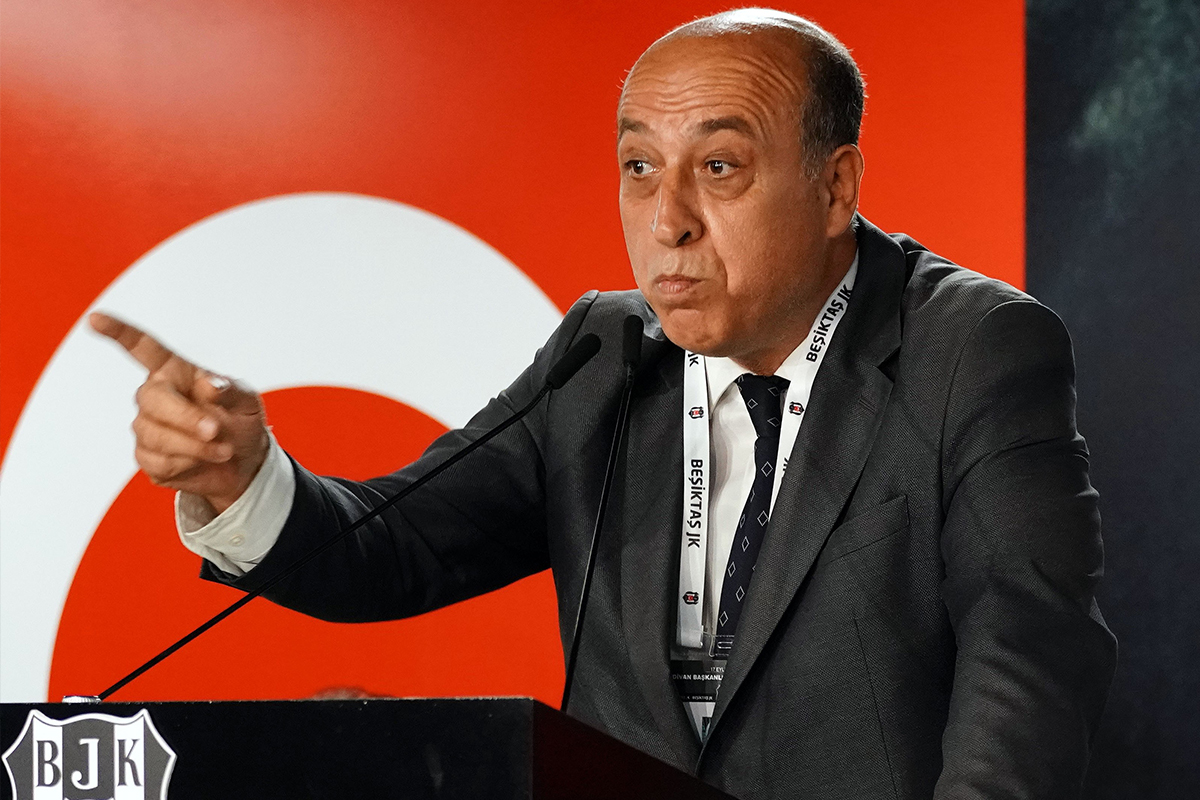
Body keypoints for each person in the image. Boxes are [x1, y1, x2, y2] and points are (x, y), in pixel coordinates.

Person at [90, 9, 1116, 799]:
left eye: (719, 167)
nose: (667, 220)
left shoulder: (970, 347)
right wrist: (243, 481)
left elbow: (1028, 655)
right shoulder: (604, 349)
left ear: (835, 185)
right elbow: (390, 548)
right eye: (639, 167)